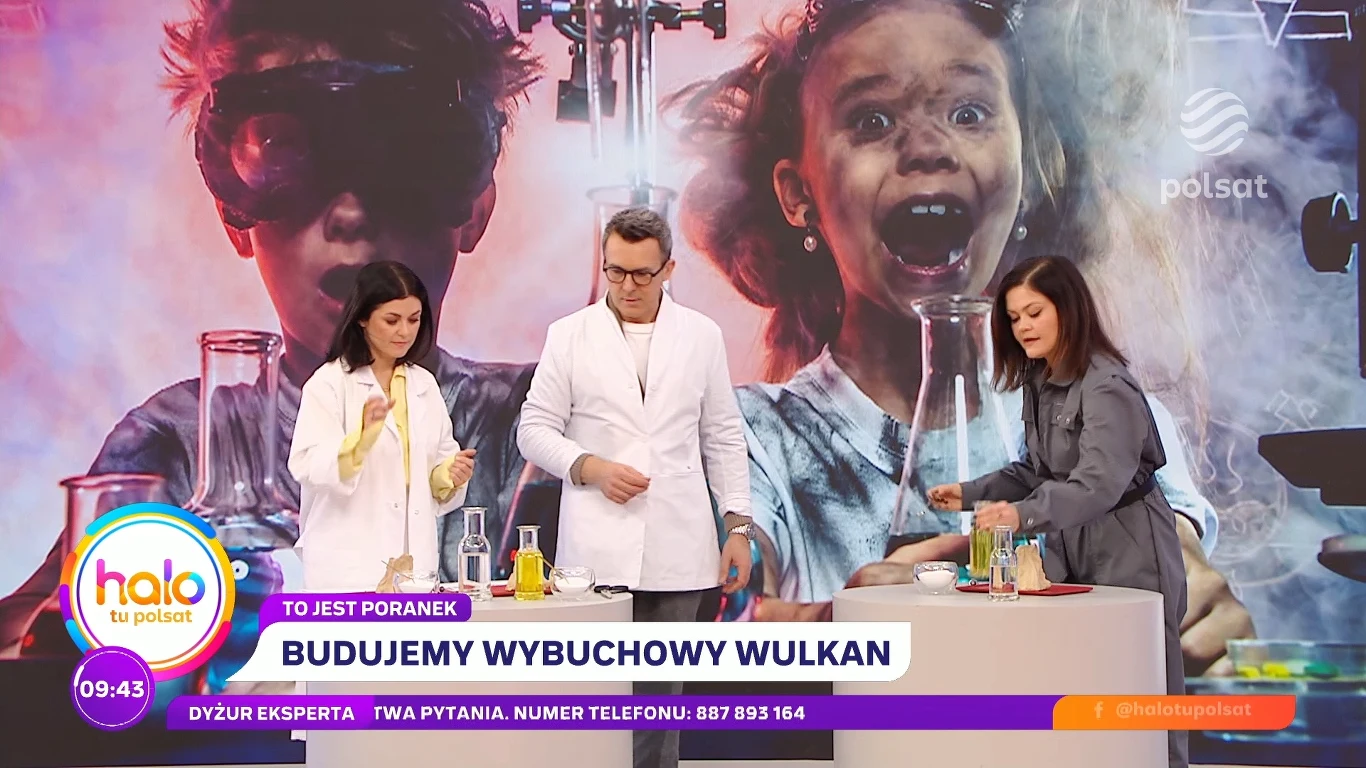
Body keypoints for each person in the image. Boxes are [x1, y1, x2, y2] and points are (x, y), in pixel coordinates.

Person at [669, 0, 1253, 673]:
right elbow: (716, 621)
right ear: (800, 194)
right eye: (872, 120)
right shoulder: (746, 439)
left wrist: (1187, 607)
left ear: (1026, 171)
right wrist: (839, 634)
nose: (927, 148)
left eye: (970, 113)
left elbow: (1163, 558)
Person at [0, 0, 543, 655]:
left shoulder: (538, 424)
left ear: (474, 207)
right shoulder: (180, 447)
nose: (349, 213)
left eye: (406, 149)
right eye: (285, 150)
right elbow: (28, 648)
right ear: (234, 213)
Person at [516, 207, 754, 768]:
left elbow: (723, 436)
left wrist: (739, 526)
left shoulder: (701, 336)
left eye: (642, 274)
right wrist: (589, 467)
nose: (626, 286)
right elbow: (533, 429)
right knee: (595, 705)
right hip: (596, 551)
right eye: (615, 271)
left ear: (668, 269)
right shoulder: (569, 335)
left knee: (658, 707)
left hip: (679, 546)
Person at [930, 255, 1189, 768]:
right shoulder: (1039, 379)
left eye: (1034, 313)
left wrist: (1020, 517)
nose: (1023, 327)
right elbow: (1037, 470)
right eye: (1014, 318)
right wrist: (969, 492)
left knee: (1142, 690)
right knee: (1080, 684)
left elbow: (1097, 485)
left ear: (1067, 310)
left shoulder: (1107, 385)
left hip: (1129, 545)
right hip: (1069, 545)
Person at [290, 261, 476, 590]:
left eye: (414, 320)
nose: (404, 331)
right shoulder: (329, 383)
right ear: (362, 318)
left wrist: (449, 475)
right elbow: (306, 464)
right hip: (348, 569)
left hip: (413, 565)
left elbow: (433, 470)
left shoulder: (424, 384)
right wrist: (360, 442)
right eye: (391, 320)